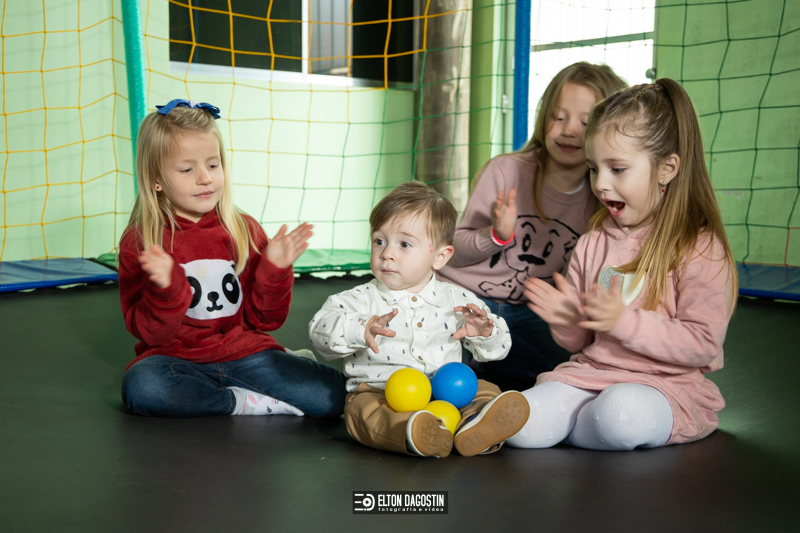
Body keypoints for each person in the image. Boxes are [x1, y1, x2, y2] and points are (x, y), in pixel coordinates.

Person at [506, 79, 738, 451]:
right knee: (522, 425)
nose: (600, 184)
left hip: (665, 387)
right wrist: (567, 322)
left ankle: (585, 422)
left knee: (620, 414)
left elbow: (703, 344)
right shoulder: (592, 243)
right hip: (591, 375)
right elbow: (582, 343)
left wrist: (623, 322)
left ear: (667, 168)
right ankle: (576, 420)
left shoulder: (699, 247)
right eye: (593, 169)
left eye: (617, 169)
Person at [119, 99, 347, 418]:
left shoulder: (243, 229)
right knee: (143, 387)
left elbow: (265, 321)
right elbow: (153, 335)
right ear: (155, 179)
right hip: (176, 359)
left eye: (213, 165)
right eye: (187, 169)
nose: (205, 178)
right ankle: (241, 401)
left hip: (244, 353)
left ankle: (279, 365)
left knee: (334, 397)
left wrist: (274, 270)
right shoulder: (141, 241)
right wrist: (168, 289)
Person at [437, 62, 628, 390]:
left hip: (526, 313)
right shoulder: (505, 171)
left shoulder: (603, 196)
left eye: (585, 122)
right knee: (433, 359)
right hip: (462, 295)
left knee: (561, 374)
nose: (569, 130)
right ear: (543, 118)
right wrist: (496, 235)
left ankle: (486, 378)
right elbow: (456, 251)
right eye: (558, 117)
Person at [309, 182, 529, 458]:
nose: (387, 253)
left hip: (447, 392)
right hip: (380, 394)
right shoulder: (359, 299)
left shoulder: (458, 300)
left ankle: (476, 424)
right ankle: (414, 431)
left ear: (440, 257)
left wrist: (486, 333)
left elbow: (499, 349)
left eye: (404, 244)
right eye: (379, 241)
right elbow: (319, 331)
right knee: (364, 413)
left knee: (485, 390)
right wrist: (360, 327)